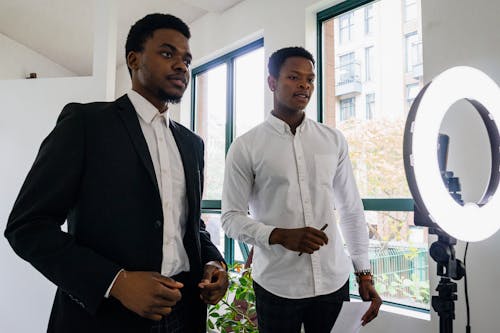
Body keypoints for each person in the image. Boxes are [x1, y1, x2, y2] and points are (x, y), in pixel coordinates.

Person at [4, 13, 228, 333]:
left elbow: (188, 226)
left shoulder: (192, 144)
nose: (181, 65)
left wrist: (213, 262)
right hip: (104, 317)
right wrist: (116, 282)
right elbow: (27, 227)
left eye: (187, 59)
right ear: (134, 59)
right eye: (167, 53)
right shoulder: (86, 124)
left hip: (184, 313)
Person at [221, 46, 382, 333]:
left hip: (334, 282)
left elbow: (350, 210)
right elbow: (230, 218)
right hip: (277, 285)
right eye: (294, 77)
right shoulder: (246, 146)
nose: (304, 86)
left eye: (310, 79)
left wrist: (364, 273)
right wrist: (279, 235)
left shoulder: (333, 140)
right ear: (272, 82)